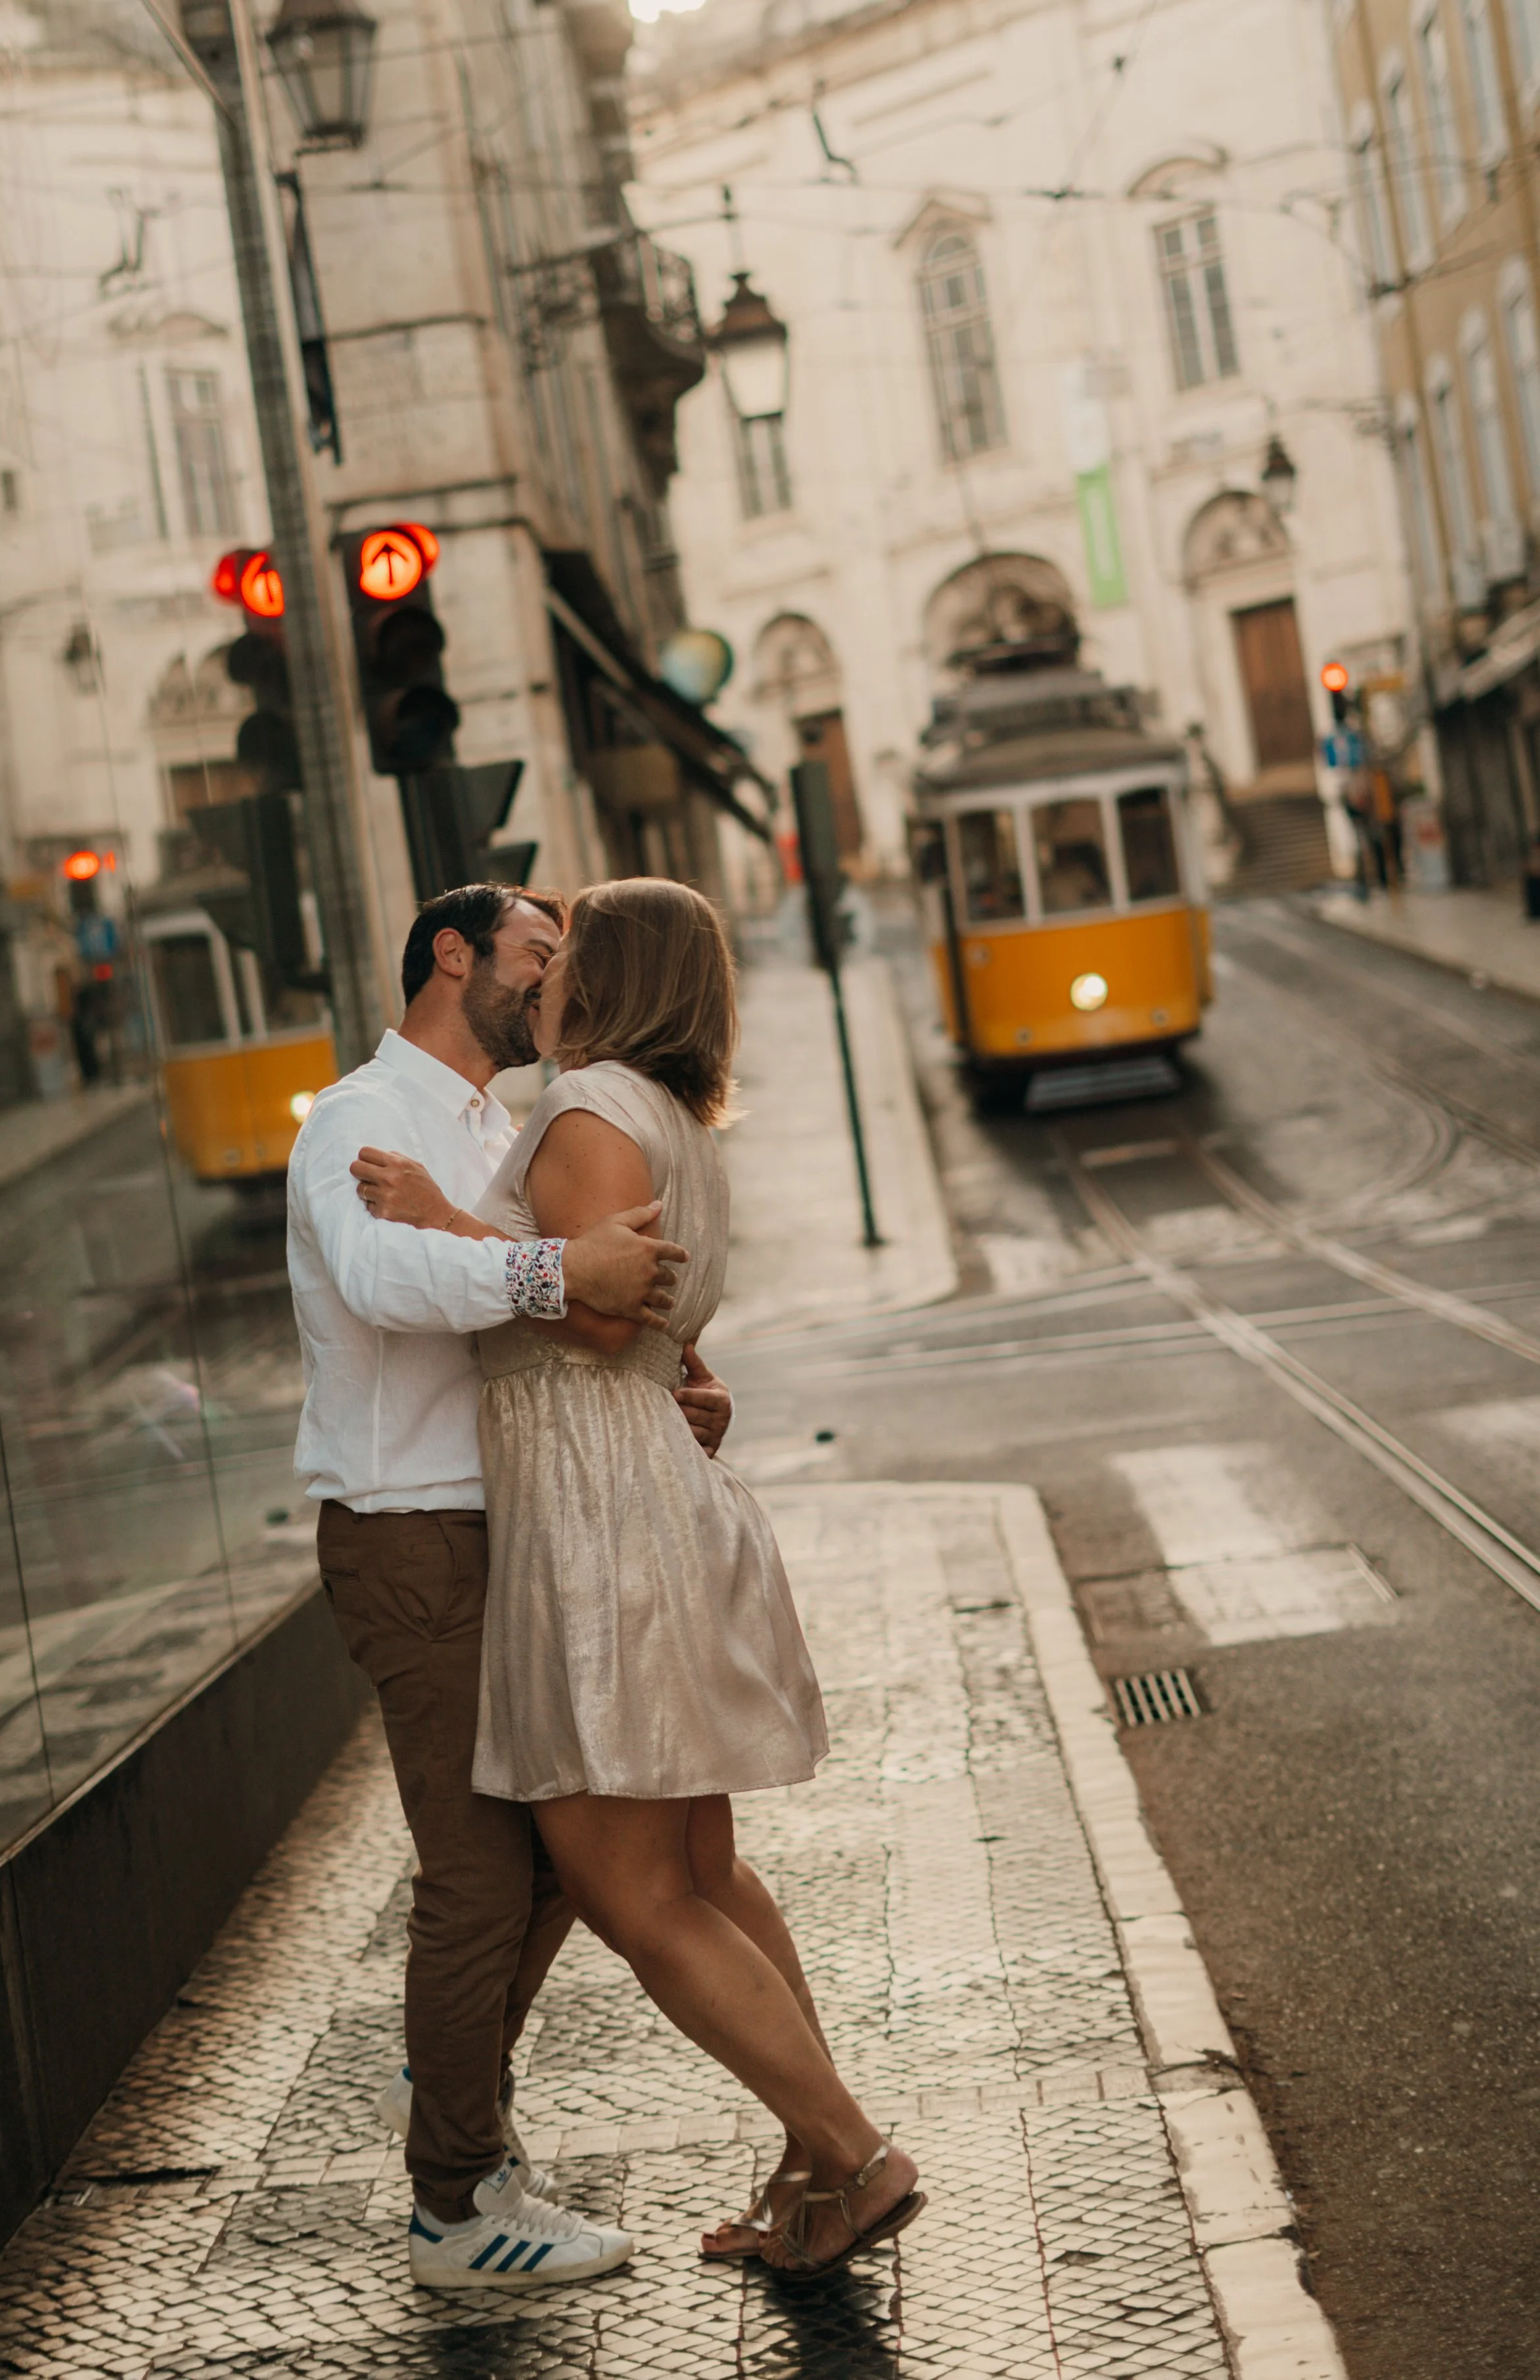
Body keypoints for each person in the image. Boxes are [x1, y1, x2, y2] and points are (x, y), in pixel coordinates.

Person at [351, 878, 926, 2284]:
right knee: (702, 1872)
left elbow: (601, 1314)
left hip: (602, 1526)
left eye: (564, 955)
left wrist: (435, 1212)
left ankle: (851, 2153)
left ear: (608, 981)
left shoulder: (591, 1105)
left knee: (631, 1891)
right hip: (638, 1503)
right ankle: (812, 2167)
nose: (539, 976)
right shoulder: (664, 1115)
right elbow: (648, 1323)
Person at [287, 882, 733, 2294]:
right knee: (483, 1869)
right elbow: (382, 1277)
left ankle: (458, 2098)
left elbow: (586, 1316)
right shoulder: (362, 1114)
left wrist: (672, 1373)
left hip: (512, 1532)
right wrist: (558, 1267)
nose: (552, 984)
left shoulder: (499, 1123)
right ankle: (454, 2203)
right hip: (413, 1535)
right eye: (535, 957)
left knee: (560, 1859)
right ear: (452, 956)